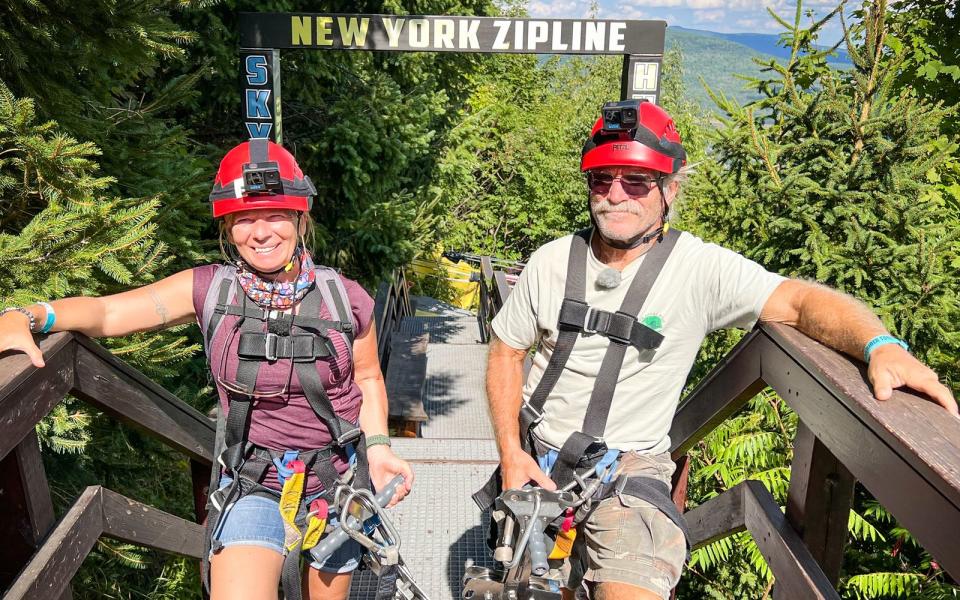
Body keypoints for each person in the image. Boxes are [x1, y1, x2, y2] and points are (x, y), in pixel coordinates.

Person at [484, 100, 958, 600]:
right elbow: (505, 352)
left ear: (670, 188)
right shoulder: (551, 262)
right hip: (537, 456)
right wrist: (511, 453)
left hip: (626, 472)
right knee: (533, 585)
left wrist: (879, 345)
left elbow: (799, 301)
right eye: (602, 179)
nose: (615, 196)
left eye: (636, 181)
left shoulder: (699, 271)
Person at [0, 139, 414, 600]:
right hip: (255, 481)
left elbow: (368, 378)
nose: (261, 232)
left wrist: (378, 448)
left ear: (300, 217)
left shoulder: (345, 298)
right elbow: (108, 313)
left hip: (338, 484)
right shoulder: (210, 291)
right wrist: (30, 315)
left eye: (275, 214)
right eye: (244, 218)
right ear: (227, 227)